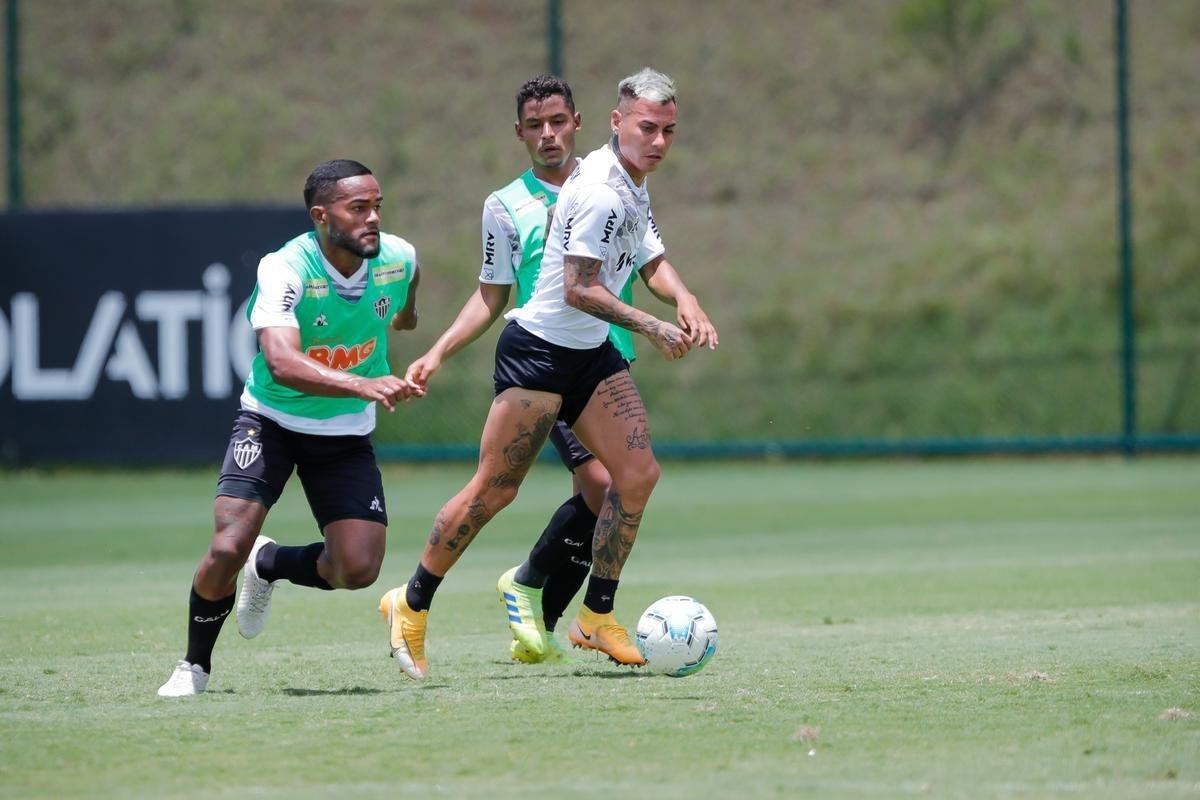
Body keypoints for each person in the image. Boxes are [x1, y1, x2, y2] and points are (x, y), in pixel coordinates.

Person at [379, 67, 717, 680]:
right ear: (618, 123)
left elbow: (647, 259)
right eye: (648, 128)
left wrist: (684, 300)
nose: (660, 141)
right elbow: (578, 288)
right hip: (539, 351)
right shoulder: (600, 192)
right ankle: (411, 601)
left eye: (669, 130)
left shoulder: (630, 181)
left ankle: (595, 616)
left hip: (590, 355)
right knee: (494, 491)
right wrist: (655, 325)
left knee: (636, 474)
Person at [157, 159, 424, 697]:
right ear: (321, 216)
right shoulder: (284, 267)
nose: (373, 218)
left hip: (345, 434)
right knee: (229, 544)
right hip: (271, 421)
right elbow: (280, 360)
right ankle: (194, 667)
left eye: (377, 206)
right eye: (358, 208)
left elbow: (406, 309)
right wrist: (362, 383)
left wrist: (401, 324)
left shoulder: (400, 258)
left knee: (358, 568)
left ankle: (270, 562)